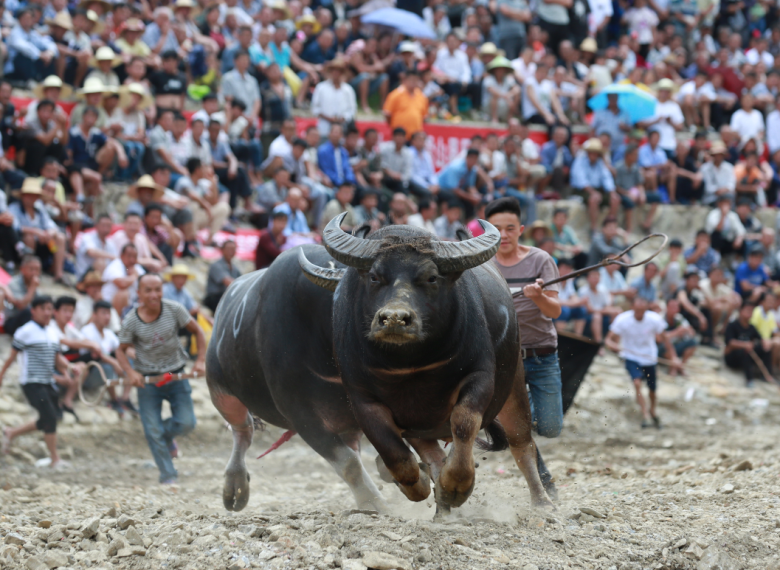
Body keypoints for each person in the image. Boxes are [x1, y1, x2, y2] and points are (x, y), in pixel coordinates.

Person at [486, 196, 560, 496]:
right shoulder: (481, 265)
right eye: (496, 229)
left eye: (510, 228)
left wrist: (537, 297)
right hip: (501, 360)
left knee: (551, 427)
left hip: (540, 354)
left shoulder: (541, 260)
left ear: (521, 230)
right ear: (487, 232)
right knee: (518, 426)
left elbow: (554, 310)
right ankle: (543, 478)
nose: (503, 235)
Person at [116, 273, 206, 484]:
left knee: (186, 423)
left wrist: (200, 360)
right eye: (148, 290)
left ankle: (163, 437)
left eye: (158, 289)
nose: (154, 294)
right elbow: (121, 351)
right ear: (138, 293)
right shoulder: (131, 321)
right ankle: (168, 476)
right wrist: (131, 373)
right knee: (151, 429)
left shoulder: (174, 309)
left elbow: (198, 331)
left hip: (176, 375)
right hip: (148, 381)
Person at [0, 296, 72, 468]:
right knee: (49, 417)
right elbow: (11, 358)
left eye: (49, 309)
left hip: (48, 381)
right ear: (34, 310)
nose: (47, 312)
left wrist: (71, 367)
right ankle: (55, 459)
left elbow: (58, 360)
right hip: (31, 382)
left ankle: (11, 432)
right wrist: (1, 375)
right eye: (43, 308)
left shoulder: (52, 332)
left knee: (51, 417)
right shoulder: (25, 331)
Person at [606, 297, 669, 428]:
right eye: (637, 309)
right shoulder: (623, 319)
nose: (640, 312)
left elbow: (664, 338)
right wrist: (614, 345)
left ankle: (652, 410)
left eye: (642, 309)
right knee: (637, 382)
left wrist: (673, 356)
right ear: (632, 307)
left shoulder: (654, 319)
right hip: (631, 356)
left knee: (652, 389)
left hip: (649, 357)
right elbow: (608, 339)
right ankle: (645, 413)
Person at [9, 179, 67, 284]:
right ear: (23, 195)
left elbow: (52, 226)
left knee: (60, 238)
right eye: (29, 195)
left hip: (44, 245)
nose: (32, 198)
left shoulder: (40, 209)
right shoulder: (14, 208)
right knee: (29, 237)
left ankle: (58, 273)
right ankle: (29, 270)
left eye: (34, 195)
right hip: (21, 247)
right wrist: (36, 231)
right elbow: (15, 227)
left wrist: (49, 233)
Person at [80, 300, 129, 416]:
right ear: (94, 315)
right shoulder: (87, 331)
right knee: (107, 368)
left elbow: (121, 349)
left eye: (109, 313)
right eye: (103, 313)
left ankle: (126, 399)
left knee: (129, 364)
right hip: (88, 375)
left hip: (99, 373)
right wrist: (115, 363)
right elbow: (96, 354)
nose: (107, 317)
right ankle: (114, 400)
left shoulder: (108, 333)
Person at [570, 138, 618, 232]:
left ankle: (610, 226)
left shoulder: (600, 163)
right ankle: (594, 228)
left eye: (596, 152)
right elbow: (581, 181)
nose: (594, 154)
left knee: (616, 199)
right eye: (592, 152)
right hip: (582, 190)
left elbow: (606, 178)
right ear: (588, 153)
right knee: (594, 198)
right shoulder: (580, 161)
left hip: (597, 189)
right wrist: (593, 192)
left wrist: (612, 192)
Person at [724, 300, 773, 386]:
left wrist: (765, 342)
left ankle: (766, 374)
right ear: (741, 311)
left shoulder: (752, 327)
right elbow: (730, 342)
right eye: (747, 310)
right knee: (745, 351)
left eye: (751, 311)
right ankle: (749, 380)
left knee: (765, 349)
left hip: (747, 356)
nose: (750, 313)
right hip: (732, 357)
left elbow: (761, 338)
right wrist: (744, 345)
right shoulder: (732, 325)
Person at [311, 58, 356, 136]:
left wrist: (343, 118)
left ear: (342, 73)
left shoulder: (348, 90)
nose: (336, 73)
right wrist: (328, 118)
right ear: (330, 72)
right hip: (323, 129)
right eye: (334, 70)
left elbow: (352, 110)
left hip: (342, 129)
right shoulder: (321, 87)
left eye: (338, 71)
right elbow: (315, 108)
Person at [2, 255, 41, 335]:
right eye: (31, 269)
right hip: (12, 321)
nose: (34, 273)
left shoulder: (34, 284)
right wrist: (32, 288)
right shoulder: (14, 283)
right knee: (28, 312)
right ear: (22, 269)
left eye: (37, 270)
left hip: (28, 321)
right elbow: (21, 306)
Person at [102, 243, 145, 315]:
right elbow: (121, 284)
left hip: (131, 305)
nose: (132, 259)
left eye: (134, 257)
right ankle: (118, 323)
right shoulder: (116, 264)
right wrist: (134, 276)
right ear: (122, 256)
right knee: (123, 293)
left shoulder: (135, 267)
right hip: (108, 306)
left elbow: (146, 284)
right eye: (129, 256)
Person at [659, 299, 698, 376]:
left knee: (693, 342)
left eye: (676, 307)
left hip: (675, 345)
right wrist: (676, 332)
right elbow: (659, 339)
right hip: (662, 348)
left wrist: (688, 332)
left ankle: (680, 366)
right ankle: (673, 367)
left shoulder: (679, 319)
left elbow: (691, 333)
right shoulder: (659, 318)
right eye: (672, 307)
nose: (674, 309)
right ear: (667, 307)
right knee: (666, 344)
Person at [383, 71, 428, 138]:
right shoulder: (395, 95)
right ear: (405, 80)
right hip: (400, 136)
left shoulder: (422, 96)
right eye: (411, 79)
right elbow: (387, 114)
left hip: (415, 137)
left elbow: (423, 117)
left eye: (416, 79)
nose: (414, 82)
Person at [75, 213, 117, 280]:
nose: (106, 228)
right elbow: (91, 252)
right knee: (100, 262)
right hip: (84, 275)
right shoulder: (87, 237)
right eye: (103, 225)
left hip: (102, 275)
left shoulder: (110, 243)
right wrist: (112, 256)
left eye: (108, 225)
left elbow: (116, 261)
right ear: (97, 225)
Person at [204, 240, 242, 313]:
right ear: (222, 250)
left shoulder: (235, 268)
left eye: (233, 249)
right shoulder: (216, 266)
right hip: (215, 298)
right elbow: (229, 282)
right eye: (228, 249)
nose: (231, 251)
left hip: (226, 297)